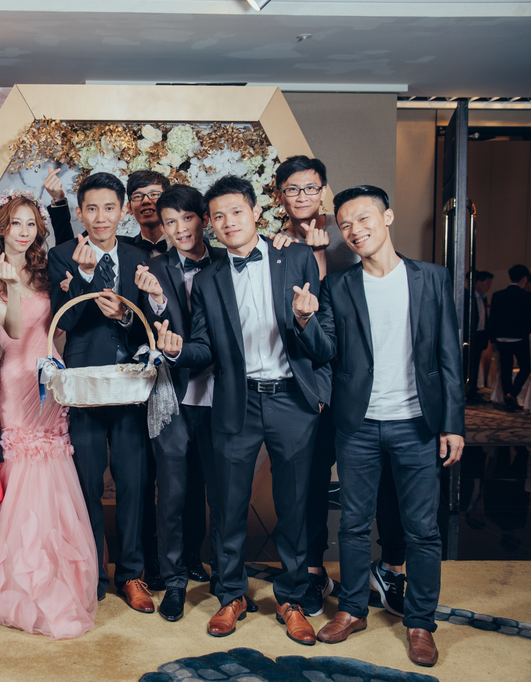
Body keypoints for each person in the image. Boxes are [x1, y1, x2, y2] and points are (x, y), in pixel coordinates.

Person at [294, 185, 464, 668]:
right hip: (358, 425)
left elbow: (448, 356)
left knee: (422, 529)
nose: (354, 230)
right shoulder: (338, 285)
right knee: (352, 523)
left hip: (417, 424)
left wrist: (453, 423)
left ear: (387, 217)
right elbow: (325, 351)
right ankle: (351, 610)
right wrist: (305, 322)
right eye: (345, 224)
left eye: (364, 218)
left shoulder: (431, 277)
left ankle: (420, 623)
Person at [159, 175, 329, 645]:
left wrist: (306, 321)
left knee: (293, 506)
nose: (228, 222)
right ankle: (231, 594)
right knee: (229, 506)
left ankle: (292, 599)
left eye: (236, 211)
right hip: (237, 400)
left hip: (292, 400)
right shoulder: (208, 279)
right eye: (218, 216)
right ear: (210, 224)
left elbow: (325, 341)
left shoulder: (296, 257)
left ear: (256, 212)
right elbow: (203, 346)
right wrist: (177, 350)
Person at [0, 191, 98, 639]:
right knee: (21, 467)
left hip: (49, 379)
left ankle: (56, 571)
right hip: (15, 380)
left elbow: (58, 325)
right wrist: (13, 288)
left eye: (30, 224)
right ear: (1, 228)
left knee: (54, 464)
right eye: (15, 223)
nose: (23, 231)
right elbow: (14, 330)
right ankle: (17, 578)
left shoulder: (44, 269)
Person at [272, 155, 408, 618]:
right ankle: (313, 570)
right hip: (308, 380)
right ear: (279, 196)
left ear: (323, 190)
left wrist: (320, 253)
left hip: (360, 379)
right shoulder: (273, 244)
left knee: (387, 476)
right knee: (310, 479)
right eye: (293, 189)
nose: (303, 196)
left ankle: (391, 565)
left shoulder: (352, 230)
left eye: (311, 187)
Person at [47, 172, 153, 614]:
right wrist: (86, 278)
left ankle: (131, 573)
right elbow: (64, 322)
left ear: (123, 211)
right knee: (87, 483)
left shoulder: (139, 256)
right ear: (79, 213)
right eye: (91, 208)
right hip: (84, 386)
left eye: (109, 207)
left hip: (129, 387)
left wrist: (125, 318)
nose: (101, 217)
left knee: (133, 482)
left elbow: (148, 322)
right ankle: (92, 573)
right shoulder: (61, 256)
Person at [133, 184, 227, 622]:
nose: (179, 229)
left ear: (203, 219)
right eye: (169, 222)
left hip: (221, 393)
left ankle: (223, 580)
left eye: (186, 218)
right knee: (171, 492)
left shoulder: (227, 261)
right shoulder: (153, 267)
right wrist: (155, 299)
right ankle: (174, 582)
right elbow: (148, 329)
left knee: (220, 492)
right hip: (173, 394)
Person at [488, 263, 531, 410]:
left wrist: (492, 338)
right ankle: (512, 394)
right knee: (526, 367)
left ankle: (508, 396)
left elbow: (493, 318)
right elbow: (530, 320)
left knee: (506, 369)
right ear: (524, 279)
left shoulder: (498, 295)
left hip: (501, 338)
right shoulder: (527, 296)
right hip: (520, 338)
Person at [466, 270, 493, 400]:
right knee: (467, 364)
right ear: (477, 283)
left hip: (480, 335)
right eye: (486, 284)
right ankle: (467, 390)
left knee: (476, 364)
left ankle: (472, 389)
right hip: (469, 336)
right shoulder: (467, 297)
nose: (488, 287)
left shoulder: (483, 297)